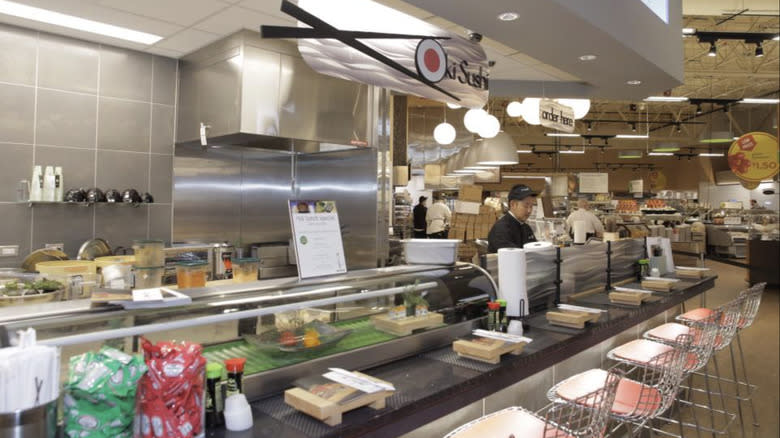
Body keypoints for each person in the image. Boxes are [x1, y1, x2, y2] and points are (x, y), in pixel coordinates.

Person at [487, 184, 538, 252]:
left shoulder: (526, 228)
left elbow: (534, 250)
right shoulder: (501, 229)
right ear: (513, 204)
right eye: (526, 206)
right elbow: (513, 256)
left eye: (531, 206)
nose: (529, 211)